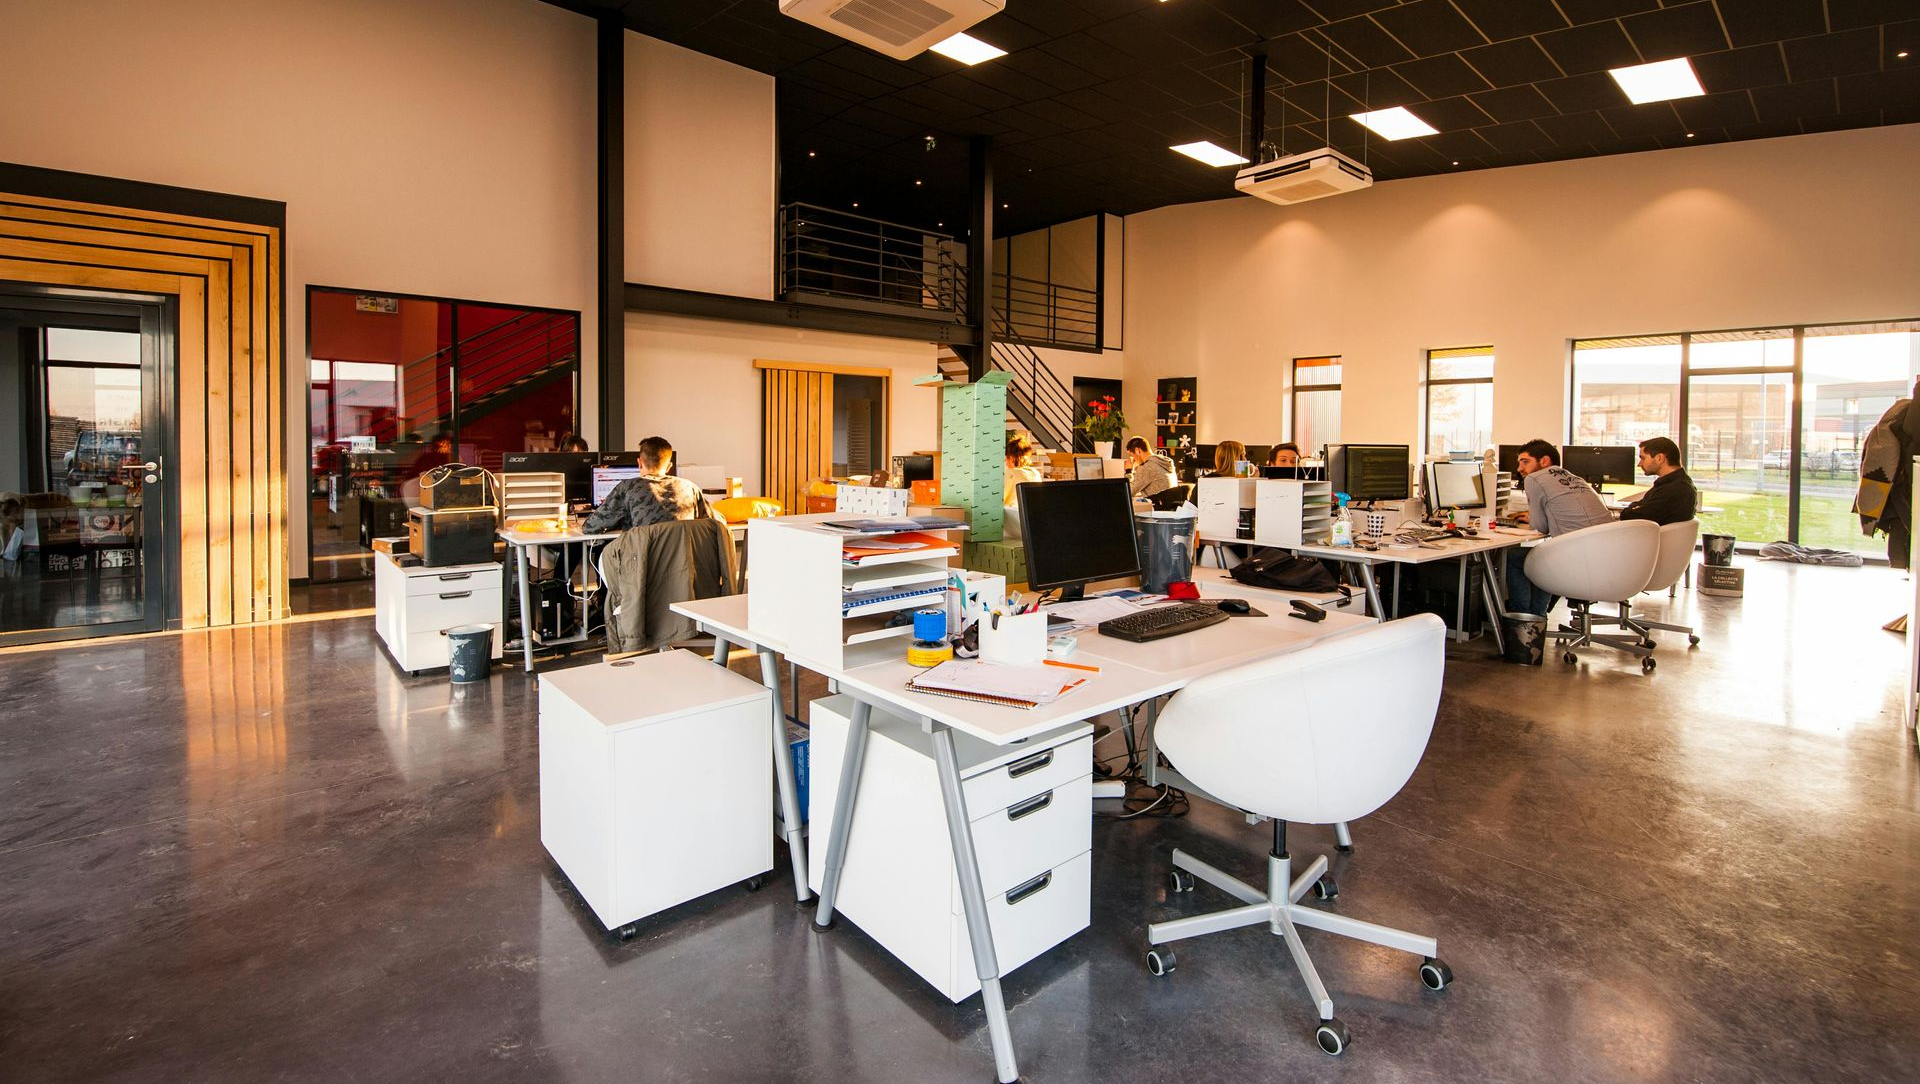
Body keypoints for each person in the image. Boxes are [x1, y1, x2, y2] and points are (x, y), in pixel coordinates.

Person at [1505, 439, 1612, 615]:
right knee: (1543, 556)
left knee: (1514, 556)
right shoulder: (1576, 478)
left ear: (1545, 461)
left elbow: (1540, 527)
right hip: (1605, 558)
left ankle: (1522, 616)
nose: (1519, 469)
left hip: (1576, 558)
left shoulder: (1534, 478)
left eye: (1525, 462)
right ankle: (1538, 617)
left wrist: (1533, 518)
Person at [583, 435, 709, 532]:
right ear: (669, 466)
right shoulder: (690, 487)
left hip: (642, 562)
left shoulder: (627, 487)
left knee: (603, 557)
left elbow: (590, 527)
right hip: (682, 563)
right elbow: (716, 522)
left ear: (639, 463)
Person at [1619, 436, 1697, 525]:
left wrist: (1628, 511)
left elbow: (1635, 516)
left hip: (1650, 537)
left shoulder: (1675, 489)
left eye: (1643, 458)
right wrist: (1634, 508)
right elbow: (1639, 505)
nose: (1639, 464)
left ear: (1659, 458)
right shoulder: (1673, 483)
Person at [1004, 433, 1044, 504]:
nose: (1006, 461)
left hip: (1013, 513)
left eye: (1007, 458)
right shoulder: (1035, 473)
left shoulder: (1011, 473)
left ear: (1012, 458)